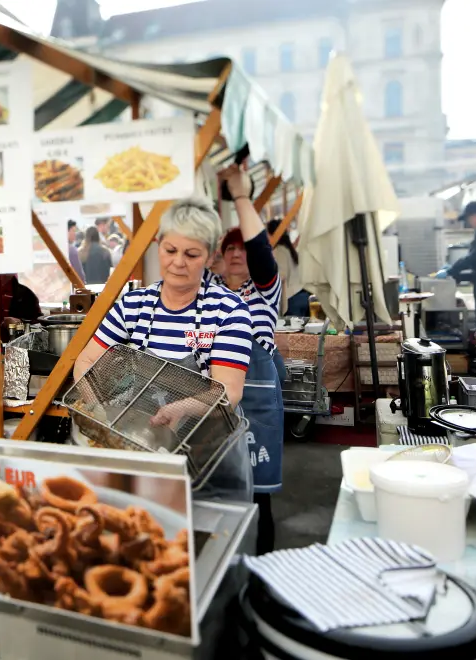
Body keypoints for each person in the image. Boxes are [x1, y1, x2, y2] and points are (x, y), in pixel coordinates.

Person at [74, 198, 254, 497]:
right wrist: (98, 412)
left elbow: (229, 391)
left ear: (210, 257)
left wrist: (180, 408)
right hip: (140, 450)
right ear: (158, 246)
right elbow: (86, 363)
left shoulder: (228, 311)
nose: (178, 262)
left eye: (192, 254)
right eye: (170, 250)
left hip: (207, 461)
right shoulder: (133, 305)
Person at [214, 166, 285, 554]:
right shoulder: (208, 297)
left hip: (257, 408)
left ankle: (263, 567)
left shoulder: (265, 293)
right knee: (217, 492)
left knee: (259, 498)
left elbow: (262, 252)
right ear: (221, 259)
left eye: (242, 249)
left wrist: (241, 197)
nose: (239, 254)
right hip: (215, 404)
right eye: (230, 249)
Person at [444, 201, 476, 313]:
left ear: (475, 216)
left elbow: (473, 257)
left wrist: (451, 270)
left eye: (468, 219)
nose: (469, 223)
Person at [267, 219, 308, 316]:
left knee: (293, 331)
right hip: (302, 294)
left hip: (292, 298)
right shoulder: (288, 248)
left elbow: (281, 274)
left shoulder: (279, 250)